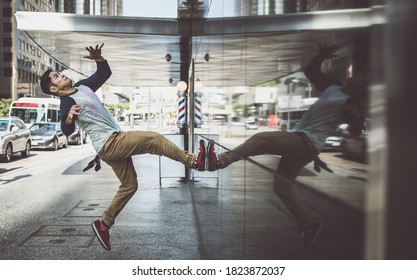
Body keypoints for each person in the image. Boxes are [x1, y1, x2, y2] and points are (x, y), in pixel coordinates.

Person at [200, 43, 368, 251]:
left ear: (364, 88)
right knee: (282, 186)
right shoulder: (333, 87)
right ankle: (308, 225)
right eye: (359, 73)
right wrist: (321, 56)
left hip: (303, 141)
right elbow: (310, 71)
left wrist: (357, 113)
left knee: (260, 139)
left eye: (363, 77)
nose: (358, 75)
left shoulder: (352, 102)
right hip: (304, 144)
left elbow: (354, 131)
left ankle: (221, 161)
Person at [40, 43, 205, 251]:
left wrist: (99, 58)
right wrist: (70, 116)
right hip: (110, 143)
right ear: (54, 89)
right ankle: (194, 162)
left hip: (109, 147)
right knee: (154, 139)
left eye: (59, 73)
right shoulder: (66, 102)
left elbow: (104, 73)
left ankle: (103, 224)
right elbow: (66, 130)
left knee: (130, 186)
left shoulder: (83, 86)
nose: (62, 75)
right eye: (57, 77)